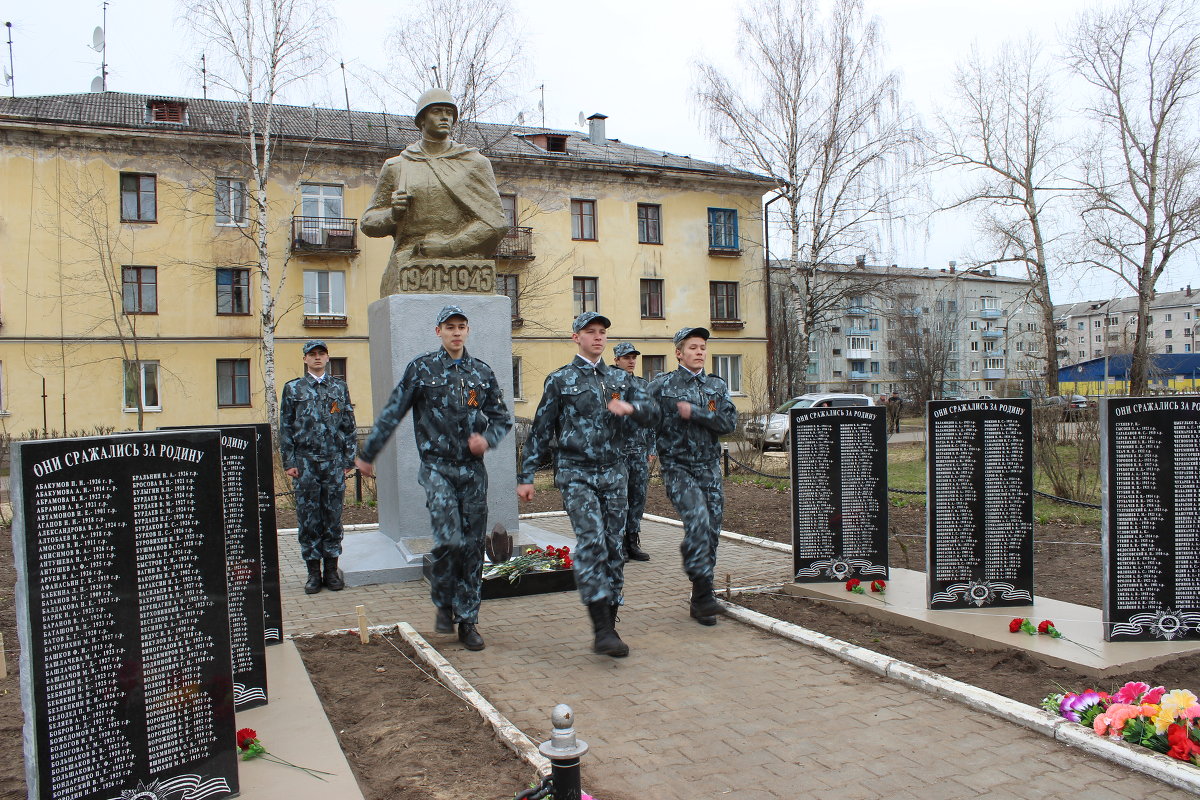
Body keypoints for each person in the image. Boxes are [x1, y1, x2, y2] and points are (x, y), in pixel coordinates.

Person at [355, 306, 511, 651]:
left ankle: (467, 619)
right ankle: (444, 600)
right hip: (437, 468)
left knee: (471, 547)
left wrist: (487, 439)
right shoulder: (422, 369)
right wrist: (368, 454)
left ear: (468, 331)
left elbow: (502, 418)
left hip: (472, 472)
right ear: (437, 331)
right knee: (448, 539)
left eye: (462, 327)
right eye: (450, 327)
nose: (456, 333)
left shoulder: (481, 373)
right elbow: (393, 411)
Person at [516, 312, 659, 657]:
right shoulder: (560, 379)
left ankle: (610, 619)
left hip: (614, 472)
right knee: (592, 542)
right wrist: (527, 475)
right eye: (590, 332)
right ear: (575, 338)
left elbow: (654, 413)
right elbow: (541, 429)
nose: (597, 337)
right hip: (575, 471)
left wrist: (631, 409)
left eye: (602, 333)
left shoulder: (619, 379)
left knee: (614, 548)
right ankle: (602, 628)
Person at [361, 88, 508, 295]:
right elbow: (368, 223)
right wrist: (392, 214)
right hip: (409, 262)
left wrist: (448, 247)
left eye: (449, 113)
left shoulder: (474, 163)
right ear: (422, 119)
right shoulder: (397, 166)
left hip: (466, 269)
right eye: (437, 111)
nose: (445, 117)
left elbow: (495, 222)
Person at [648, 327, 738, 626]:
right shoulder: (662, 385)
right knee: (698, 520)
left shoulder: (716, 385)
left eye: (702, 347)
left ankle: (701, 599)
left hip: (709, 468)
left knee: (711, 531)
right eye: (693, 347)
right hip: (677, 467)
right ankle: (701, 589)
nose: (699, 352)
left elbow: (727, 422)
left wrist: (696, 412)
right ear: (678, 353)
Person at [279, 340, 358, 595]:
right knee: (309, 518)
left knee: (332, 517)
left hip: (333, 461)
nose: (316, 358)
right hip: (305, 463)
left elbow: (348, 425)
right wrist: (289, 461)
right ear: (304, 359)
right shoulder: (293, 388)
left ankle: (332, 571)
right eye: (311, 354)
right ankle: (313, 573)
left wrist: (348, 460)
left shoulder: (339, 387)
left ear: (327, 358)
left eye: (320, 354)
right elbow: (286, 427)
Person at [611, 342, 655, 562]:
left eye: (633, 357)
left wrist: (651, 446)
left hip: (637, 449)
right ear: (617, 359)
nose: (631, 361)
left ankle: (632, 539)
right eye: (626, 357)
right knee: (618, 498)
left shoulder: (641, 384)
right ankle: (618, 542)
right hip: (616, 450)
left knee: (637, 496)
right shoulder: (610, 382)